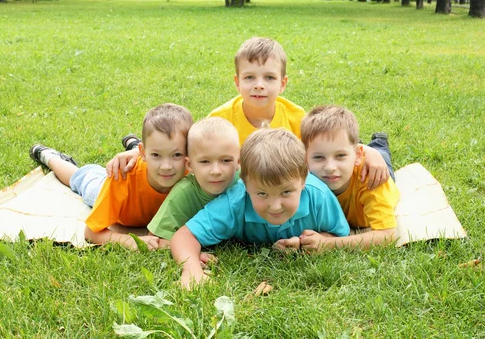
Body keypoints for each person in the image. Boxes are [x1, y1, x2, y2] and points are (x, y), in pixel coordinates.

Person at [107, 37, 391, 189]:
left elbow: (327, 144)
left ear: (283, 83)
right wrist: (137, 153)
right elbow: (183, 150)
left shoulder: (295, 116)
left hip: (274, 186)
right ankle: (132, 142)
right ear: (236, 81)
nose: (258, 85)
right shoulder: (219, 118)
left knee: (381, 171)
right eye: (249, 77)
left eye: (268, 78)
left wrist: (371, 152)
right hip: (247, 187)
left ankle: (379, 144)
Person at [170, 128, 350, 289]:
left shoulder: (318, 196)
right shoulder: (235, 202)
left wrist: (314, 242)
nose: (275, 206)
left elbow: (340, 235)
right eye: (262, 194)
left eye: (286, 192)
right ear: (245, 184)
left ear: (303, 180)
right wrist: (191, 269)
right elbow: (185, 236)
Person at [29, 103, 192, 250]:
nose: (166, 166)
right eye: (156, 154)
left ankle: (134, 145)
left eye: (177, 154)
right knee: (82, 177)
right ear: (143, 153)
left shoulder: (193, 175)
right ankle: (49, 157)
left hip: (140, 159)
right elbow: (91, 233)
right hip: (109, 195)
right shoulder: (122, 176)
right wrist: (133, 241)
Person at [298, 105, 400, 250]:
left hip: (376, 171)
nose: (330, 167)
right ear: (305, 157)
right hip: (353, 159)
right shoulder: (304, 181)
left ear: (358, 155)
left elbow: (387, 235)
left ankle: (380, 142)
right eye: (319, 157)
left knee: (381, 155)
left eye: (340, 155)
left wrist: (328, 244)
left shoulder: (371, 181)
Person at [147, 117, 241, 244]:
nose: (216, 171)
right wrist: (189, 250)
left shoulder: (245, 181)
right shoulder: (183, 193)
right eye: (205, 161)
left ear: (238, 162)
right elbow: (155, 238)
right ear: (189, 165)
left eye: (226, 160)